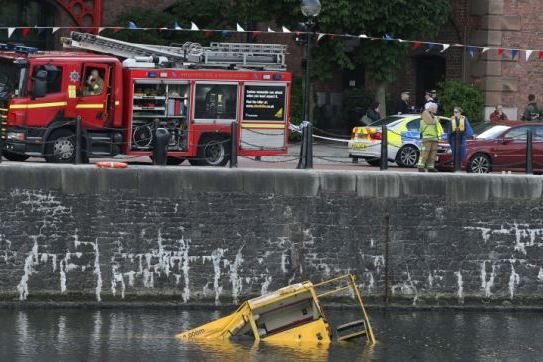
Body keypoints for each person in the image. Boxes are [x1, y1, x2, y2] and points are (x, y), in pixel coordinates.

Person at [417, 102, 443, 172]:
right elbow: (431, 122)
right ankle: (420, 166)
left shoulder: (432, 115)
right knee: (425, 153)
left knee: (432, 154)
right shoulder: (425, 113)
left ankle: (430, 167)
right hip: (427, 137)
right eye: (435, 108)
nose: (436, 110)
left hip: (434, 137)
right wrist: (437, 119)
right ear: (431, 108)